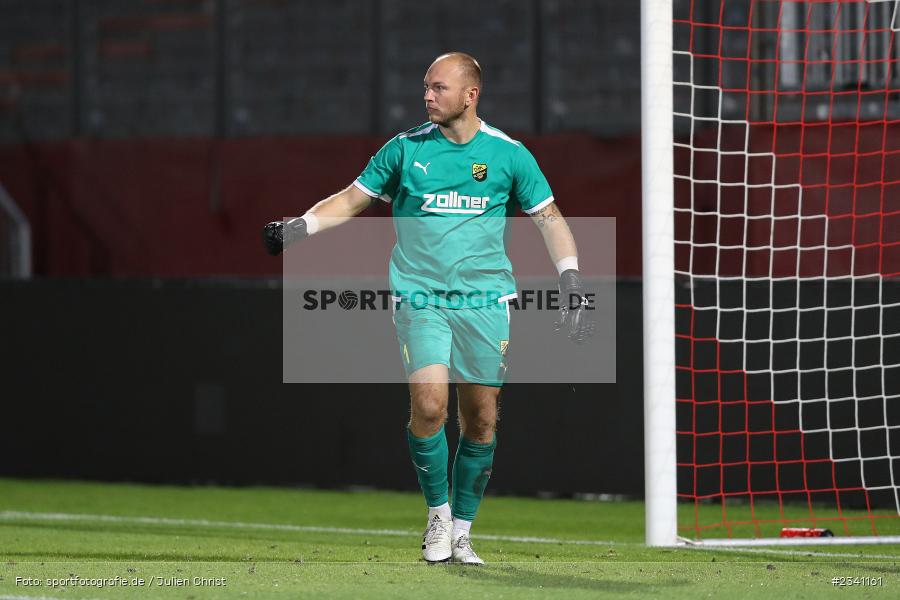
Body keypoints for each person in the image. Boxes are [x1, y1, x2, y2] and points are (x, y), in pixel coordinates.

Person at [263, 52, 591, 565]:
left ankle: (463, 530)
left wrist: (570, 275)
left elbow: (549, 219)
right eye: (425, 87)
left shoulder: (508, 155)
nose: (427, 95)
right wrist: (300, 226)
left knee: (480, 420)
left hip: (486, 300)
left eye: (438, 87)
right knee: (431, 404)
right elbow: (354, 198)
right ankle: (437, 517)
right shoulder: (405, 149)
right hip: (420, 296)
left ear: (470, 95)